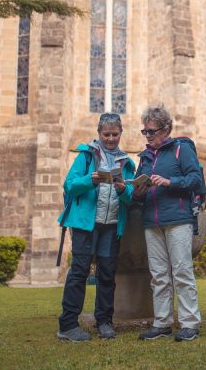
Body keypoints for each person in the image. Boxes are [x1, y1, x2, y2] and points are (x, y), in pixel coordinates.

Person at [56, 113, 135, 342]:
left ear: (120, 134)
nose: (110, 139)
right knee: (79, 273)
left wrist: (122, 190)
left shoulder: (127, 162)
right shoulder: (87, 156)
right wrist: (89, 180)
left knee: (107, 275)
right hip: (85, 226)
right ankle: (68, 324)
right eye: (106, 134)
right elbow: (70, 185)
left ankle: (104, 322)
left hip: (111, 226)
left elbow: (131, 198)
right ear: (99, 134)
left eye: (115, 134)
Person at [133, 104, 202, 342]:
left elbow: (195, 178)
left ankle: (190, 323)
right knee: (159, 275)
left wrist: (168, 182)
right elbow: (137, 195)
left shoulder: (180, 150)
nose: (148, 136)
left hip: (178, 219)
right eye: (145, 131)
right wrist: (137, 190)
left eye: (151, 131)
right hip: (152, 222)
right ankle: (162, 323)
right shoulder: (143, 158)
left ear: (166, 129)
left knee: (182, 271)